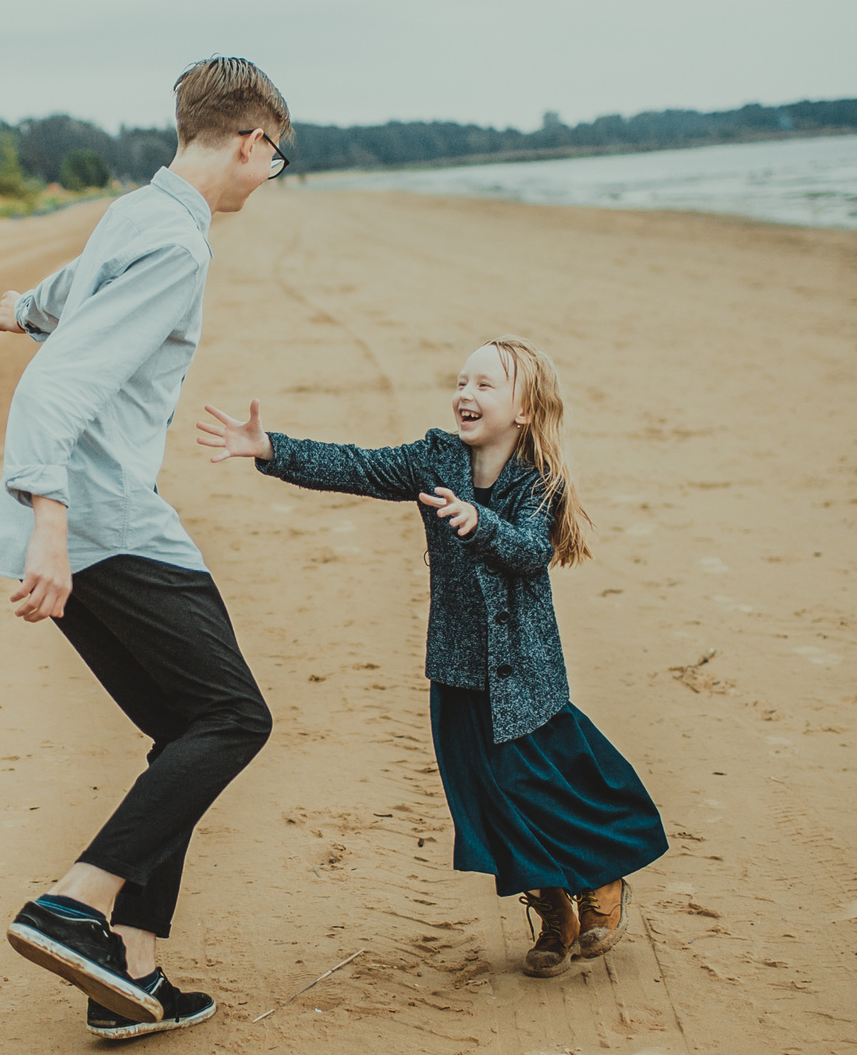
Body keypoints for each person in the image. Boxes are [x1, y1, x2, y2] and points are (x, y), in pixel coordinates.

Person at [0, 57, 291, 1040]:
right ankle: (75, 905)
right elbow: (54, 389)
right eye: (273, 158)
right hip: (104, 519)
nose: (268, 176)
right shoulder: (177, 247)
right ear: (250, 141)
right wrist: (52, 523)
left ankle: (135, 978)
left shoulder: (138, 215)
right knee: (234, 719)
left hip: (95, 518)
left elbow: (72, 293)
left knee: (185, 731)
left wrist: (23, 304)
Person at [195, 336, 666, 975]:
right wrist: (271, 449)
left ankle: (604, 878)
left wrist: (480, 521)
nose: (465, 394)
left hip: (525, 671)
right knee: (487, 795)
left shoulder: (538, 481)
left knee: (545, 780)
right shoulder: (434, 458)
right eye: (462, 381)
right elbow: (355, 466)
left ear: (524, 410)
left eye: (485, 385)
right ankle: (553, 903)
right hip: (457, 664)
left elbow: (530, 550)